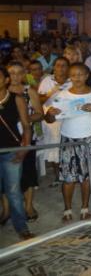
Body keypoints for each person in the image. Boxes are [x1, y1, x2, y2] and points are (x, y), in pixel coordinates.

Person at [44, 63, 91, 222]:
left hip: (89, 139)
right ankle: (67, 209)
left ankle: (85, 207)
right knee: (68, 177)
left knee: (86, 176)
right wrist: (51, 114)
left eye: (80, 74)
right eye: (73, 75)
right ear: (69, 77)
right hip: (68, 140)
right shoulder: (63, 94)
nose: (77, 78)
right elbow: (50, 119)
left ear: (87, 75)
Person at [6, 61, 43, 223]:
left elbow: (40, 113)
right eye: (11, 73)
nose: (15, 76)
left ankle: (28, 206)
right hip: (5, 139)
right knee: (5, 175)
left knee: (28, 171)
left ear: (24, 74)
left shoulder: (30, 91)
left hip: (27, 137)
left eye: (19, 72)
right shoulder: (2, 92)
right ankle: (7, 208)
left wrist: (25, 119)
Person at [0, 66, 33, 240]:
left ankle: (21, 227)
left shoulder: (17, 99)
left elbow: (27, 126)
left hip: (11, 151)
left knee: (14, 191)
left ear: (5, 80)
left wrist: (24, 149)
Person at [38, 57, 71, 184]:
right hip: (51, 119)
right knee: (53, 148)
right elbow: (38, 100)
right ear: (54, 67)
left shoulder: (72, 81)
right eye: (58, 65)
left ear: (68, 67)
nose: (61, 68)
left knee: (67, 147)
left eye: (64, 65)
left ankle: (68, 172)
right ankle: (58, 176)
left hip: (67, 119)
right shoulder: (47, 80)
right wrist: (50, 93)